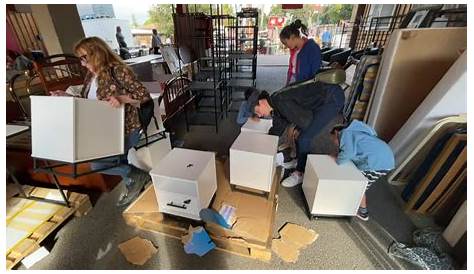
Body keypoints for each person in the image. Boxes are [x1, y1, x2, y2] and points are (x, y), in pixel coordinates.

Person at [50, 36, 152, 207]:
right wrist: (66, 96)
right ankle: (134, 185)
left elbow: (144, 96)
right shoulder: (91, 77)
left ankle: (137, 176)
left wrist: (121, 98)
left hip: (125, 128)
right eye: (80, 59)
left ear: (96, 53)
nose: (82, 63)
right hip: (105, 130)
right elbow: (88, 103)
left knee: (97, 164)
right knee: (119, 160)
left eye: (84, 58)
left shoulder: (117, 70)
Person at [248, 80, 345, 188]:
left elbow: (306, 123)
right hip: (319, 99)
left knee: (304, 138)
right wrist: (262, 147)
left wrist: (296, 128)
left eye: (257, 111)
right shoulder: (274, 103)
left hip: (331, 98)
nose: (259, 115)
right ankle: (299, 160)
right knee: (299, 133)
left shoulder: (281, 102)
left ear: (261, 102)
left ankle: (300, 173)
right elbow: (277, 128)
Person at [330, 120, 395, 221]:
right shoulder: (356, 132)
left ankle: (363, 212)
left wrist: (338, 160)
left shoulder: (345, 134)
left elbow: (348, 153)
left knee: (359, 185)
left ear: (336, 133)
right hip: (385, 158)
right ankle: (353, 203)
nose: (334, 143)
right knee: (359, 180)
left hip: (377, 162)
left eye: (333, 140)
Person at [280, 19, 321, 86]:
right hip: (294, 84)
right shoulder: (295, 50)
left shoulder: (312, 48)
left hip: (305, 87)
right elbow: (292, 69)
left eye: (285, 43)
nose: (286, 46)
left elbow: (316, 74)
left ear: (292, 37)